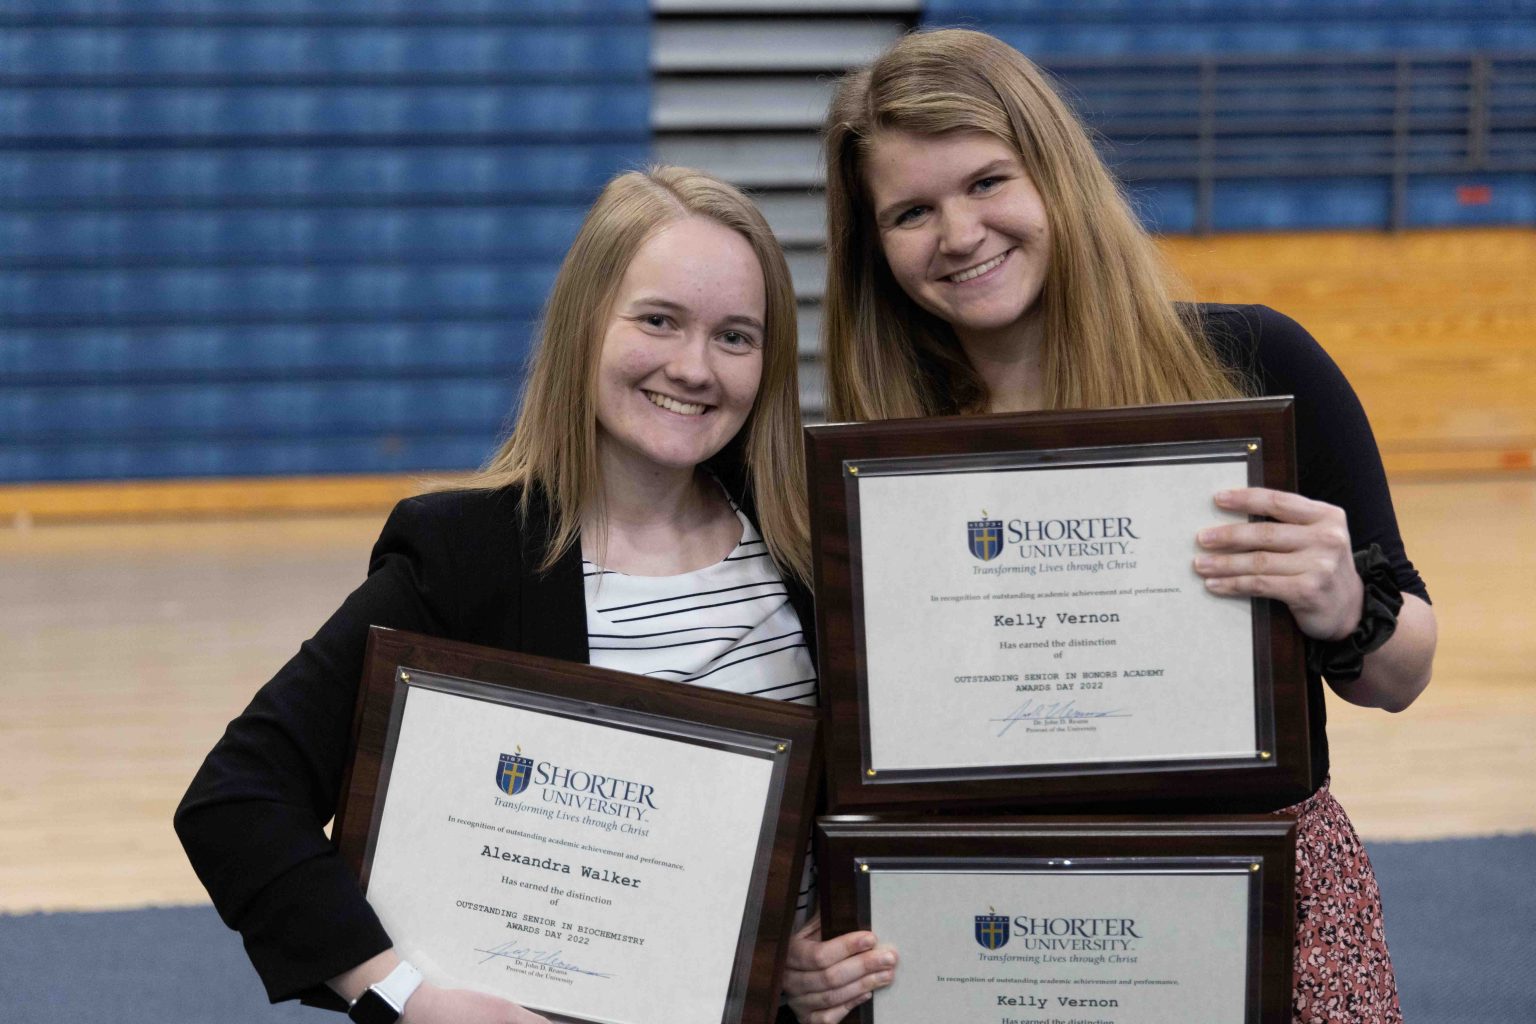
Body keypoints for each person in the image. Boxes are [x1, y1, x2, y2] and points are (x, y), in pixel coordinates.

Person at [175, 167, 895, 1024]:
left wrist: (810, 960)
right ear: (585, 324)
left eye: (735, 337)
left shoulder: (813, 552)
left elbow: (839, 848)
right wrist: (404, 995)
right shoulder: (468, 556)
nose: (694, 367)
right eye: (659, 320)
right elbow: (239, 799)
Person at [820, 29, 1436, 1024]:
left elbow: (1402, 675)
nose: (959, 232)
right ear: (876, 249)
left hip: (1267, 900)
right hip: (1006, 929)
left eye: (987, 181)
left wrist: (1343, 601)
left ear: (1054, 173)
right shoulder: (881, 466)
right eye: (910, 212)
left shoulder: (1253, 364)